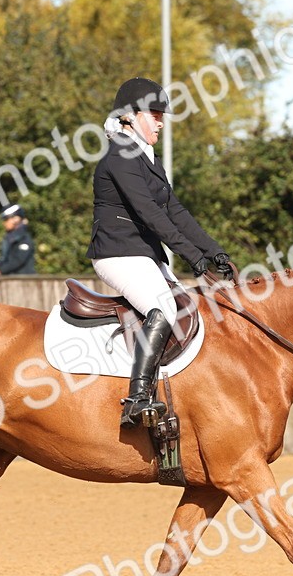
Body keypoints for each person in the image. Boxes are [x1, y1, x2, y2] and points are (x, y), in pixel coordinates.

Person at [87, 77, 234, 427]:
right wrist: (192, 258)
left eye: (161, 114)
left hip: (143, 254)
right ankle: (136, 400)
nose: (160, 121)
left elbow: (175, 211)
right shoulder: (121, 155)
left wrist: (213, 252)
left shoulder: (146, 158)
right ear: (129, 116)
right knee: (164, 307)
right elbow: (150, 215)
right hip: (117, 253)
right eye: (154, 113)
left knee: (189, 309)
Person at [0, 203, 36, 276]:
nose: (4, 223)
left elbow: (19, 260)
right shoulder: (8, 239)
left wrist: (1, 270)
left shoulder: (24, 239)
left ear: (16, 219)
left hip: (24, 281)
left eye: (6, 219)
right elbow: (4, 258)